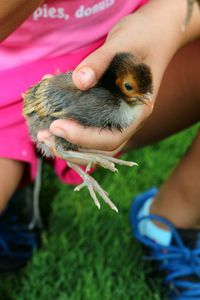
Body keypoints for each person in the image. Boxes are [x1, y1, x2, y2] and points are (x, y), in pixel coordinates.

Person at [0, 0, 200, 298]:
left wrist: (163, 22)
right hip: (10, 75)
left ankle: (171, 223)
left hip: (123, 45)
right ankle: (19, 173)